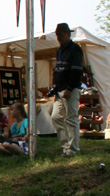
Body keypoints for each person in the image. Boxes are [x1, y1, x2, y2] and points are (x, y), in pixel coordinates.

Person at [51, 22, 83, 158]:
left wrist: (70, 88)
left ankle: (73, 148)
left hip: (71, 88)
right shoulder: (60, 50)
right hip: (60, 89)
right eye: (57, 35)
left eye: (61, 34)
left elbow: (76, 71)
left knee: (71, 118)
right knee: (56, 117)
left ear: (68, 34)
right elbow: (58, 69)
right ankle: (66, 146)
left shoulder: (75, 49)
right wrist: (54, 86)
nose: (58, 37)